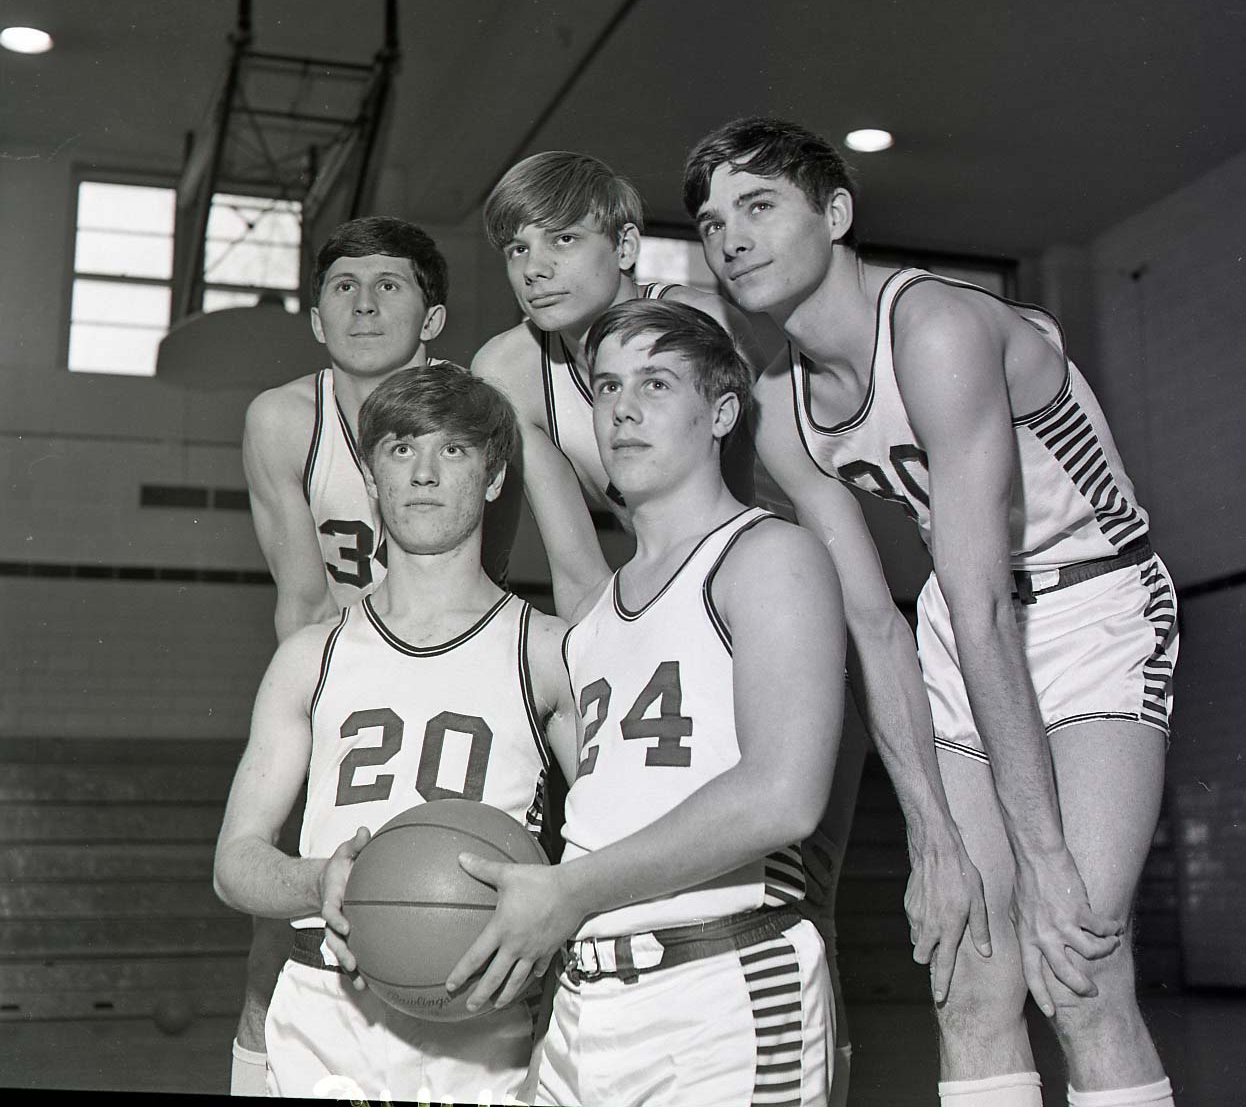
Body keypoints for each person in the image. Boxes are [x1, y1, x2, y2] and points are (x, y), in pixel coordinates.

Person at [683, 117, 1179, 1107]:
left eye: (758, 206)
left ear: (836, 213)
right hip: (961, 622)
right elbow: (877, 625)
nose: (730, 237)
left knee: (1076, 963)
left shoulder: (936, 329)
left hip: (1091, 606)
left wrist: (1040, 857)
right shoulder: (782, 408)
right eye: (709, 222)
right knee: (965, 972)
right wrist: (934, 838)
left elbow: (986, 601)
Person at [431, 298, 845, 1106]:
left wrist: (569, 893)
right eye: (608, 386)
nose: (622, 407)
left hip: (721, 984)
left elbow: (783, 795)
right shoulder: (594, 616)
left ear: (721, 412)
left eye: (656, 383)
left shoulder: (767, 555)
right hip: (585, 1000)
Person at [215, 364, 577, 1102]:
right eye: (401, 448)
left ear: (494, 476)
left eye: (454, 449)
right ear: (371, 479)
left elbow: (610, 842)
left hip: (483, 1016)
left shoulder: (549, 651)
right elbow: (234, 863)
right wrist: (318, 879)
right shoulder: (310, 657)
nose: (424, 472)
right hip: (327, 1006)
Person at [230, 216, 450, 1095]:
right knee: (280, 928)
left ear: (432, 317)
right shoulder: (284, 419)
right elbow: (304, 602)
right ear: (317, 318)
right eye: (343, 287)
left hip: (458, 676)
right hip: (342, 678)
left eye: (389, 284)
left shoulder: (473, 412)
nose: (363, 304)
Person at [471, 150, 762, 620]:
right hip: (678, 583)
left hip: (777, 566)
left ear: (625, 247)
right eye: (518, 249)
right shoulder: (509, 369)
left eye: (563, 239)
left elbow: (746, 507)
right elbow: (577, 574)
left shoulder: (703, 327)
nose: (533, 269)